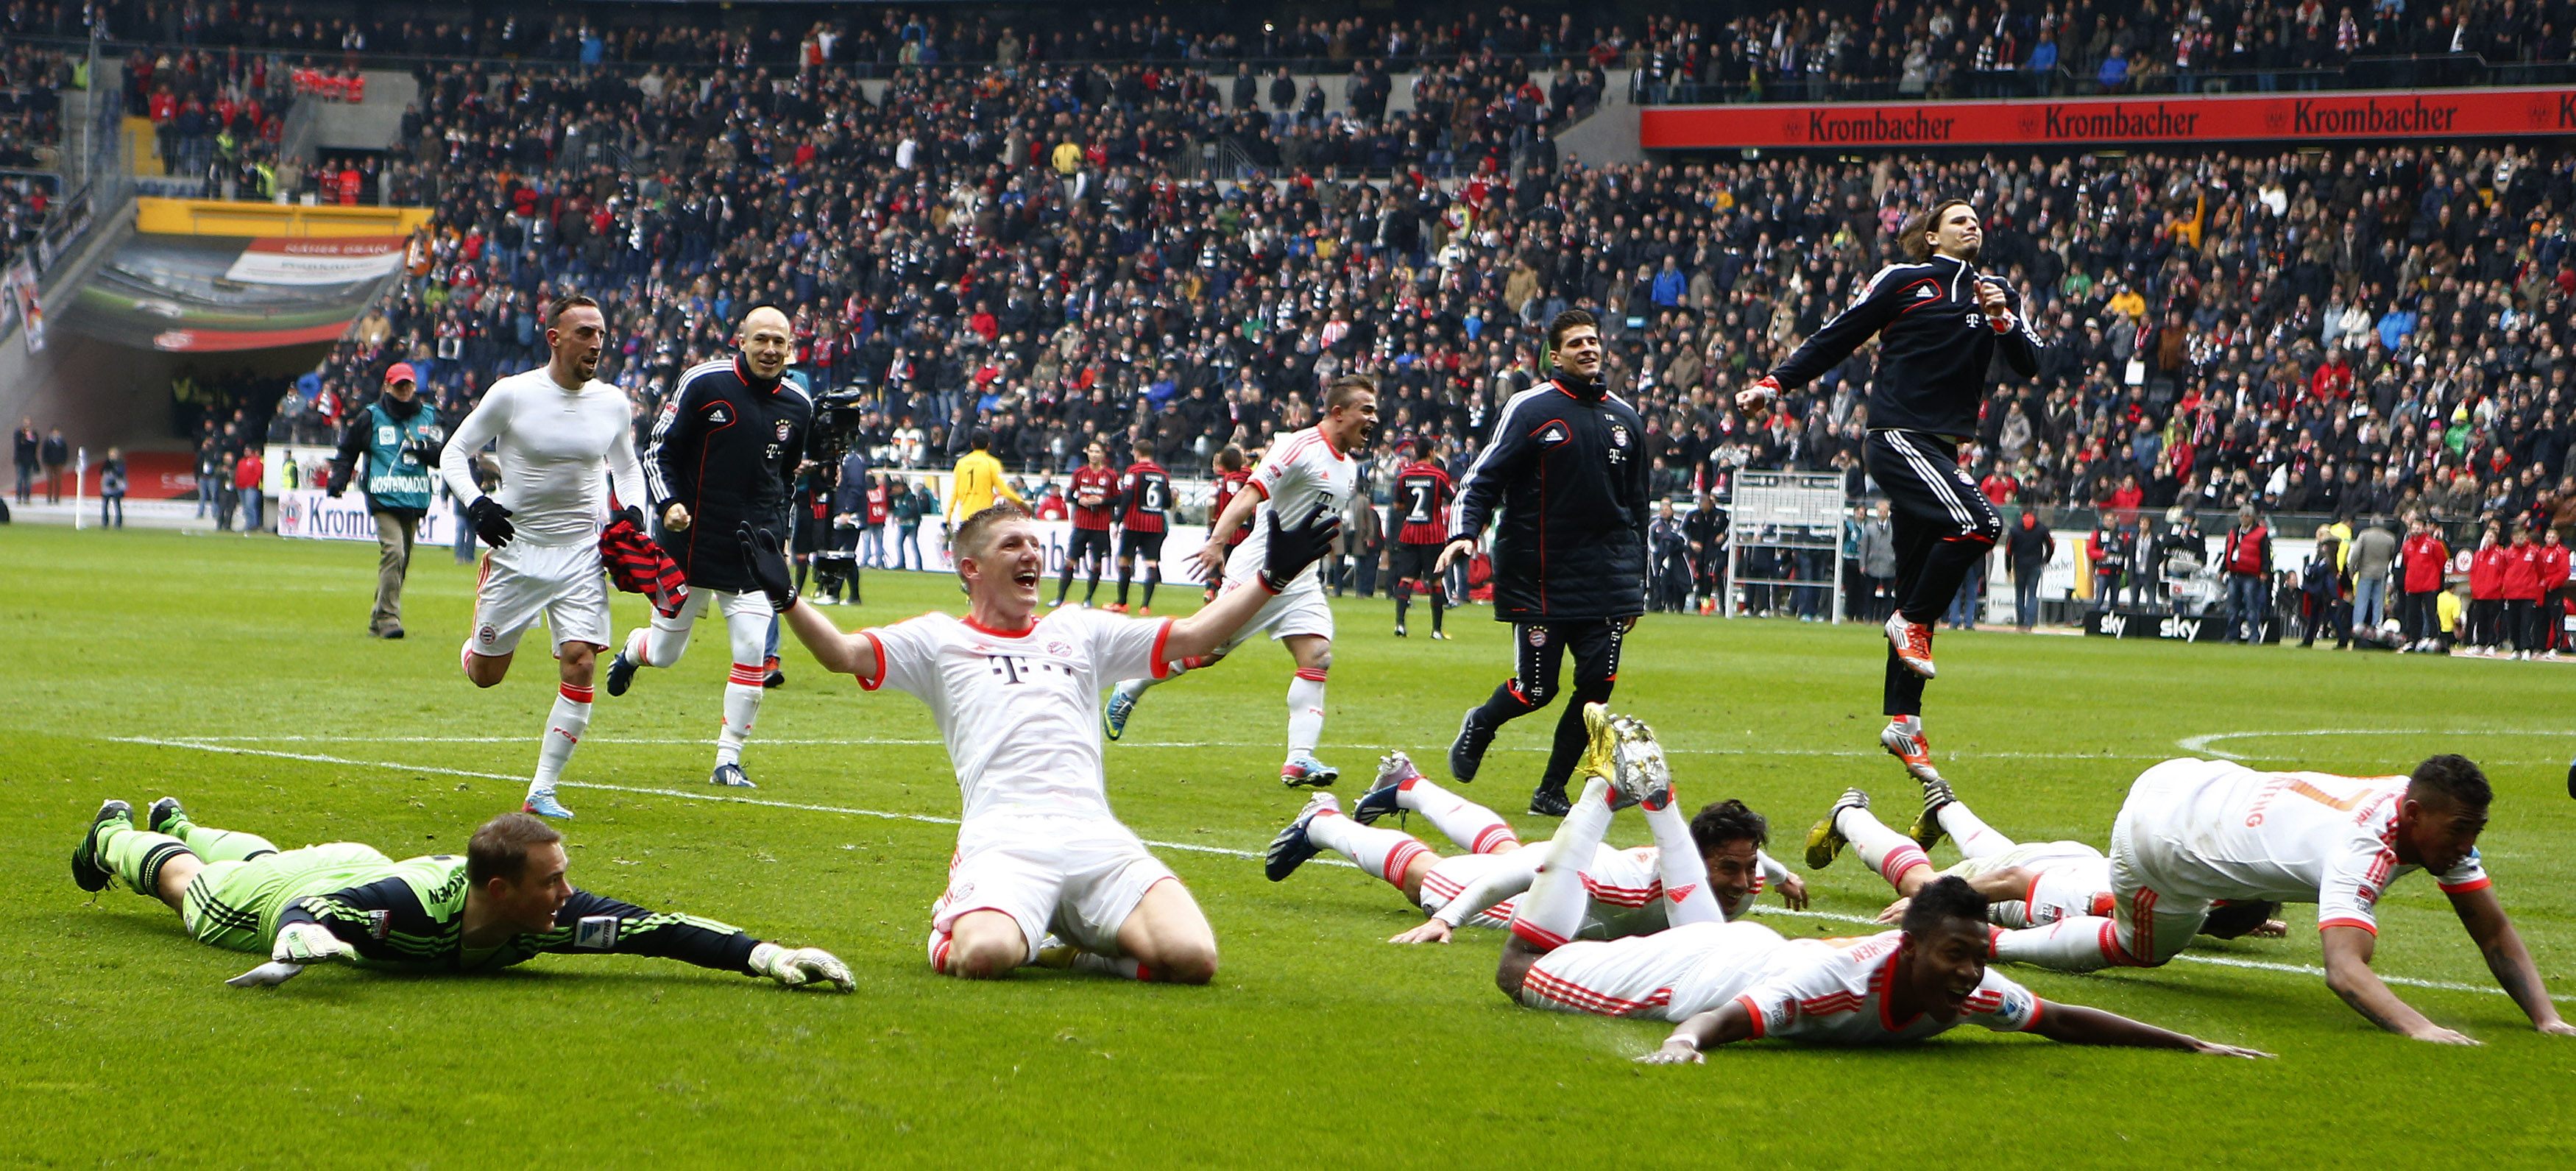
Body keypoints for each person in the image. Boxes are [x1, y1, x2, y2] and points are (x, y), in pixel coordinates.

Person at [746, 498, 1342, 983]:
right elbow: (841, 654)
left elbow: (1193, 634)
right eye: (1012, 544)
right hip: (1005, 839)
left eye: (1034, 544)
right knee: (983, 957)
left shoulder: (1078, 629)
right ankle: (956, 920)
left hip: (1094, 835)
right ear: (970, 569)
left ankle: (1074, 949)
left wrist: (1271, 578)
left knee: (1193, 958)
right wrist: (788, 598)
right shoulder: (938, 640)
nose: (1031, 553)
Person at [1490, 714, 2266, 1061]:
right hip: (1709, 977)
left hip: (1751, 949)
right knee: (1517, 969)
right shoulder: (1835, 981)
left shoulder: (1968, 986)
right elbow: (1727, 1018)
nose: (1970, 972)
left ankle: (1650, 795)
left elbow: (2060, 1017)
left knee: (1708, 929)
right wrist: (1682, 1044)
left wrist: (2191, 1044)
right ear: (1909, 945)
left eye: (1973, 956)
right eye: (1957, 956)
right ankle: (1601, 788)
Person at [1737, 198, 2038, 789]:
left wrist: (2003, 317)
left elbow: (2030, 362)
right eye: (1958, 220)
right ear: (1932, 237)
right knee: (1980, 523)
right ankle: (1909, 622)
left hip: (1943, 449)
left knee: (1917, 580)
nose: (1972, 225)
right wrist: (1774, 385)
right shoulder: (1902, 281)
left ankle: (1905, 718)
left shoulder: (1994, 291)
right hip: (1898, 436)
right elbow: (1836, 337)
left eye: (1977, 219)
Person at [1991, 754, 2576, 1043]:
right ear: (2416, 815)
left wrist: (2547, 1018)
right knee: (2137, 944)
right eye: (2460, 831)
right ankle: (1996, 936)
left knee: (2230, 910)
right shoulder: (2365, 847)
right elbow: (2345, 973)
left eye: (2476, 829)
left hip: (2190, 780)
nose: (2468, 844)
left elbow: (2492, 929)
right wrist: (2420, 1027)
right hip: (2162, 838)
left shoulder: (2418, 807)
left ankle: (2008, 888)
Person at [69, 799, 850, 991]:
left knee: (266, 859)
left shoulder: (547, 916)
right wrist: (298, 936)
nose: (567, 894)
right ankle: (116, 836)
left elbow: (659, 929)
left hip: (353, 863)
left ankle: (184, 819)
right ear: (500, 887)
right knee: (197, 895)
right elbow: (319, 913)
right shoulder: (407, 906)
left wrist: (765, 953)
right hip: (319, 887)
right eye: (552, 881)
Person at [1105, 375, 1380, 787]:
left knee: (1318, 656)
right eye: (1367, 410)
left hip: (1302, 577)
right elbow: (1251, 493)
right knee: (1204, 649)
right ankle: (1130, 685)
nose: (1373, 418)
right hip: (1260, 570)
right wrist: (1217, 543)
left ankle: (1299, 760)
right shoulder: (1298, 446)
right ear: (1338, 413)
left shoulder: (1349, 465)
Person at [1263, 738, 1807, 943]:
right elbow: (1531, 868)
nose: (1742, 883)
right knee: (1424, 876)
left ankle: (1409, 786)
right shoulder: (1627, 887)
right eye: (1730, 870)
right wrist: (1446, 919)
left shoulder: (1746, 878)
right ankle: (1322, 821)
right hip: (1531, 889)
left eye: (1748, 870)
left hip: (1569, 865)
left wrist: (1786, 876)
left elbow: (1750, 860)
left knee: (1504, 844)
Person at [436, 295, 648, 821]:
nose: (596, 343)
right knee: (487, 675)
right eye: (584, 333)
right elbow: (452, 454)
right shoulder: (513, 395)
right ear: (554, 338)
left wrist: (635, 512)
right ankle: (474, 648)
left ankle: (542, 788)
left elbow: (626, 467)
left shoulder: (613, 403)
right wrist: (478, 503)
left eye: (601, 333)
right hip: (516, 547)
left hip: (580, 551)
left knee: (581, 660)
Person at [1438, 310, 1651, 816]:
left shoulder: (1626, 418)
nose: (1588, 349)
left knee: (1596, 691)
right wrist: (1465, 532)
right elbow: (1482, 477)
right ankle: (1482, 723)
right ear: (1555, 355)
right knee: (1537, 689)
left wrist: (1633, 587)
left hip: (1604, 580)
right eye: (1576, 342)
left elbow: (1637, 508)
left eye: (1594, 341)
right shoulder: (1530, 408)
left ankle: (1550, 790)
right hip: (1540, 578)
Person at [602, 307, 812, 790]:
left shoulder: (799, 405)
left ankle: (728, 759)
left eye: (779, 342)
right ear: (741, 339)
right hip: (689, 547)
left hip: (752, 554)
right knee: (666, 651)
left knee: (751, 651)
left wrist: (781, 531)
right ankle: (633, 652)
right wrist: (668, 502)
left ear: (790, 347)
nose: (770, 350)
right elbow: (658, 451)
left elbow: (788, 480)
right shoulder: (702, 382)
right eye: (761, 339)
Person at [1805, 786, 2283, 939]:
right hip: (2041, 880)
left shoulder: (2176, 905)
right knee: (1922, 884)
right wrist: (1930, 903)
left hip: (2078, 860)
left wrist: (2248, 917)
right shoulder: (2108, 908)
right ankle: (1851, 814)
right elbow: (2015, 880)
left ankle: (1944, 808)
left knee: (2000, 856)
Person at [328, 363, 443, 639]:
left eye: (408, 385)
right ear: (387, 386)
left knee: (400, 562)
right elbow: (347, 450)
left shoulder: (429, 416)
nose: (404, 390)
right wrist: (339, 479)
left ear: (415, 387)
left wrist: (425, 450)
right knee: (394, 552)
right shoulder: (371, 417)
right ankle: (390, 619)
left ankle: (376, 620)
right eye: (399, 385)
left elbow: (443, 454)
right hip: (383, 496)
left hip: (414, 496)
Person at [1388, 439, 1456, 637]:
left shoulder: (1404, 476)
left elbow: (1397, 505)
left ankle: (1400, 625)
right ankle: (1436, 630)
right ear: (1432, 453)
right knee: (1435, 581)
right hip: (1432, 535)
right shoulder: (1439, 476)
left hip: (1409, 533)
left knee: (1407, 578)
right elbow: (1453, 499)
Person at [1106, 441, 1173, 615]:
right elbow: (1167, 502)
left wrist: (1117, 520)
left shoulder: (1133, 471)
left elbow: (1127, 496)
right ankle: (1145, 606)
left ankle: (1122, 603)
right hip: (1155, 524)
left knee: (1124, 561)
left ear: (1137, 452)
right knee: (1151, 563)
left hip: (1134, 523)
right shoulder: (1163, 474)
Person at [1053, 440, 1120, 608]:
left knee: (1096, 563)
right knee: (1070, 561)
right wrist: (1079, 500)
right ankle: (1060, 598)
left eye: (1098, 452)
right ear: (1087, 453)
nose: (1094, 455)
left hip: (1100, 526)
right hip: (1081, 525)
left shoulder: (1111, 476)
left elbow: (1118, 498)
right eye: (1092, 451)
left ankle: (1088, 598)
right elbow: (1069, 495)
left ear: (1103, 455)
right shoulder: (1079, 473)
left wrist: (1102, 500)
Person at [1200, 445, 1253, 604]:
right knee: (1238, 567)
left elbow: (1211, 503)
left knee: (1220, 561)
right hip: (1247, 530)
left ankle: (1212, 590)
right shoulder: (1251, 477)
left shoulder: (1220, 483)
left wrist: (1211, 523)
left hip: (1226, 530)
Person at [946, 428, 1022, 530]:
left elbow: (955, 492)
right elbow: (1003, 489)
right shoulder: (992, 463)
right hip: (984, 517)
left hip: (965, 517)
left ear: (972, 444)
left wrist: (948, 516)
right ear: (988, 445)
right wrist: (1021, 502)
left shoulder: (961, 463)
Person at [2396, 515, 2449, 651]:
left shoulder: (2432, 544)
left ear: (2424, 528)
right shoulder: (2407, 545)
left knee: (2431, 613)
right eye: (2414, 527)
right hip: (2412, 585)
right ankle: (2414, 639)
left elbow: (2441, 561)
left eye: (2419, 527)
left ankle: (2435, 638)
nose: (2416, 529)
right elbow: (2406, 563)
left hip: (2429, 584)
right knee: (2413, 614)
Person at [2221, 504, 2271, 643]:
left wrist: (2264, 571)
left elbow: (2265, 555)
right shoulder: (2234, 532)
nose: (2244, 518)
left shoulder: (2261, 533)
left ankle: (2254, 635)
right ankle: (2232, 634)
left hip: (2251, 575)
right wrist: (2223, 569)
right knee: (2232, 606)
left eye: (2247, 516)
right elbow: (2228, 552)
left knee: (2251, 606)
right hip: (2235, 573)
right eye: (2242, 516)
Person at [2347, 517, 2399, 632]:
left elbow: (2356, 553)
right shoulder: (2390, 538)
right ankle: (2376, 627)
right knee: (2378, 603)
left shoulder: (2364, 535)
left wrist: (2352, 569)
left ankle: (2357, 627)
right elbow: (2392, 555)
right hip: (2381, 573)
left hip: (2365, 572)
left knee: (2362, 601)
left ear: (2371, 523)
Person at [2006, 509, 2053, 630]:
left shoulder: (2015, 529)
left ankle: (2020, 622)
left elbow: (2008, 550)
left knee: (2019, 595)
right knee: (2032, 595)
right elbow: (2051, 546)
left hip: (2019, 565)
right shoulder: (2041, 529)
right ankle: (2029, 623)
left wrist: (2008, 568)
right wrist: (2046, 560)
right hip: (2035, 564)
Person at [235, 447, 266, 534]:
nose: (246, 452)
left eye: (248, 450)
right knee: (245, 507)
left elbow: (258, 473)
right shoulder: (241, 461)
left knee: (250, 506)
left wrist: (253, 483)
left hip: (251, 488)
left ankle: (252, 525)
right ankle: (249, 524)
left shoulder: (255, 461)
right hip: (241, 487)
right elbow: (238, 473)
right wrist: (237, 484)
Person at [99, 447, 127, 528]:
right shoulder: (107, 463)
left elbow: (121, 474)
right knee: (105, 506)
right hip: (107, 488)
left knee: (117, 505)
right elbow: (102, 472)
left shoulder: (120, 463)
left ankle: (118, 523)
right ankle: (105, 523)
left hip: (117, 487)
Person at [40, 426, 67, 504]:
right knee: (50, 480)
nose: (55, 433)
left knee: (58, 481)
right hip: (49, 464)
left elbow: (65, 452)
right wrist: (45, 462)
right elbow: (44, 452)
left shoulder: (62, 442)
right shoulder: (47, 442)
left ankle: (57, 498)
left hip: (59, 464)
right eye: (54, 432)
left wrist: (63, 462)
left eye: (57, 432)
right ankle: (49, 497)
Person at [13, 418, 36, 504]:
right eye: (26, 423)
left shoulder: (33, 434)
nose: (27, 425)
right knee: (19, 479)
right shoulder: (18, 433)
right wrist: (25, 438)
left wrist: (28, 439)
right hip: (20, 461)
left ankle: (27, 497)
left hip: (29, 461)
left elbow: (34, 445)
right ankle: (18, 496)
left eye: (28, 423)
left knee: (28, 480)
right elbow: (19, 445)